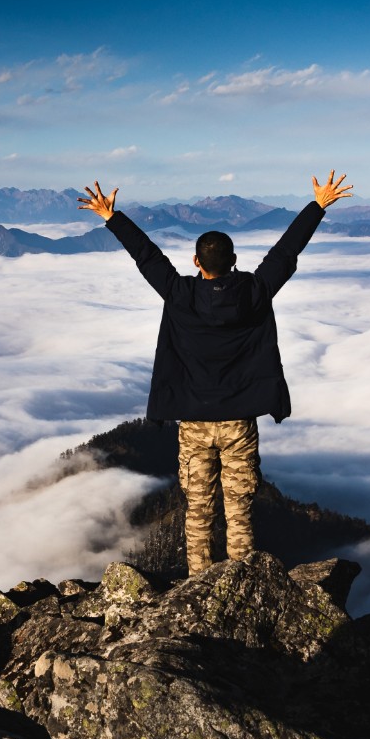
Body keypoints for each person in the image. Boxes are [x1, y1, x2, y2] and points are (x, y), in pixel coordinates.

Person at [78, 170, 353, 575]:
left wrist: (111, 217)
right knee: (239, 508)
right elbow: (285, 254)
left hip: (194, 423)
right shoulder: (255, 293)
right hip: (239, 421)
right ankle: (240, 583)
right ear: (235, 261)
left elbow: (147, 256)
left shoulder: (180, 295)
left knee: (197, 510)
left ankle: (198, 584)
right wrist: (317, 206)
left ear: (195, 262)